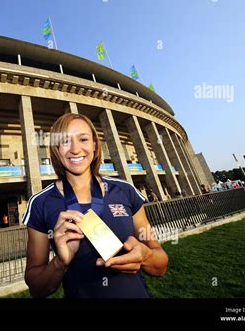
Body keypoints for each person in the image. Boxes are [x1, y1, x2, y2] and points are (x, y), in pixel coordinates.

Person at [22, 113, 168, 298]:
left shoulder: (125, 190)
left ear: (94, 145)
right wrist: (60, 262)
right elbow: (37, 289)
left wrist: (146, 256)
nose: (75, 149)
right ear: (56, 149)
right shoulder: (40, 203)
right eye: (65, 141)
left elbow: (161, 265)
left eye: (83, 139)